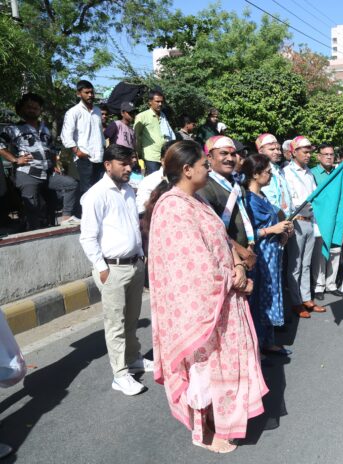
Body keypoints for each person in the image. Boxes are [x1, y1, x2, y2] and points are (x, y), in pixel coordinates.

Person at [145, 140, 266, 453]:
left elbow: (221, 242)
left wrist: (237, 265)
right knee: (203, 371)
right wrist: (235, 280)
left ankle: (219, 421)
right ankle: (204, 432)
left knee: (219, 368)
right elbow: (193, 268)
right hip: (200, 310)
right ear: (187, 170)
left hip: (222, 300)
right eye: (202, 164)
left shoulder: (196, 200)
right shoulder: (172, 207)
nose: (207, 168)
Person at [78, 144, 151, 396]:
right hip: (113, 268)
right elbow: (87, 237)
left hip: (134, 264)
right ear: (108, 165)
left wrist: (141, 256)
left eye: (131, 163)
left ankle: (133, 358)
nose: (129, 168)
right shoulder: (96, 195)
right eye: (123, 164)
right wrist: (101, 268)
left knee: (131, 318)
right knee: (115, 324)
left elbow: (133, 225)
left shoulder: (128, 190)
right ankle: (120, 375)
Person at [0, 93, 79, 229]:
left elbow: (52, 149)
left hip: (47, 173)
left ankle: (66, 217)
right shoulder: (13, 129)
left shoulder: (45, 129)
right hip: (27, 173)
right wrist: (15, 159)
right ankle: (33, 234)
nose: (32, 110)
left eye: (35, 108)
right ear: (21, 110)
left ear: (40, 110)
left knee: (71, 184)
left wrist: (55, 164)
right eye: (29, 107)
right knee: (33, 207)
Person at [242, 154, 293, 356]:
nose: (271, 176)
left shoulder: (262, 196)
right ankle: (257, 344)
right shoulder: (248, 200)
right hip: (260, 255)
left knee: (270, 294)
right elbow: (248, 233)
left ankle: (268, 340)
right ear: (255, 174)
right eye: (267, 172)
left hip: (273, 252)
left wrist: (283, 233)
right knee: (259, 298)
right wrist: (273, 230)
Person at [197, 136, 256, 272]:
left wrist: (250, 248)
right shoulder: (205, 187)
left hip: (245, 256)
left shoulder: (237, 187)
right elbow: (210, 230)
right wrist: (242, 252)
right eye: (223, 153)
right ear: (209, 157)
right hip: (221, 257)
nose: (230, 158)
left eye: (233, 154)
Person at [283, 136, 326, 318]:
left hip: (310, 222)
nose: (309, 155)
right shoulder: (286, 172)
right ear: (294, 152)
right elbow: (288, 200)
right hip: (296, 221)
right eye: (305, 151)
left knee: (307, 263)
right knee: (295, 264)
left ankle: (307, 297)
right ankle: (295, 301)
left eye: (310, 151)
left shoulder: (309, 173)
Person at [310, 144, 343, 300]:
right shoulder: (312, 174)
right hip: (320, 219)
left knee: (335, 250)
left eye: (331, 154)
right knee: (320, 252)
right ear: (319, 156)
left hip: (337, 218)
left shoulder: (339, 174)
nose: (328, 157)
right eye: (325, 154)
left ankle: (331, 284)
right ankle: (318, 286)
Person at [61, 80, 105, 196]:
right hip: (84, 157)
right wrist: (78, 152)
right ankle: (85, 214)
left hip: (99, 156)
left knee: (100, 188)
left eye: (91, 92)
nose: (90, 95)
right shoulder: (73, 112)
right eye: (86, 92)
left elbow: (99, 132)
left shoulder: (97, 111)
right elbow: (66, 136)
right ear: (78, 94)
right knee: (87, 190)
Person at [134, 90, 175, 175]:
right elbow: (136, 136)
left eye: (161, 102)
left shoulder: (163, 116)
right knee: (153, 183)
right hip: (151, 157)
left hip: (165, 156)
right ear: (150, 102)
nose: (160, 104)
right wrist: (139, 154)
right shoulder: (142, 116)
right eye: (157, 101)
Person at [256, 133, 293, 219]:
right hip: (274, 219)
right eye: (272, 149)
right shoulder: (261, 170)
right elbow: (269, 200)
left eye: (278, 149)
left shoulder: (278, 169)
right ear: (261, 151)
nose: (277, 152)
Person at [136, 141, 176, 216]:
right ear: (163, 161)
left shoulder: (188, 182)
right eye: (174, 159)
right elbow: (142, 212)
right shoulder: (149, 182)